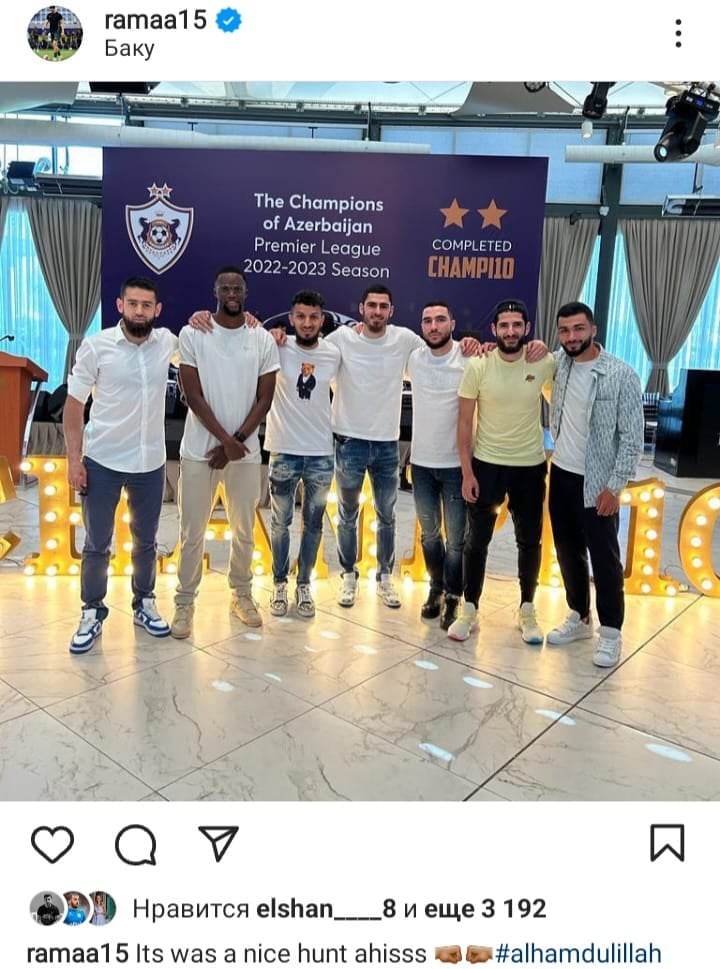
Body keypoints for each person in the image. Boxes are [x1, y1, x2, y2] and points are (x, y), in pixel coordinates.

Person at [271, 286, 478, 610]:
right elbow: (308, 353)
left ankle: (384, 577)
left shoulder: (405, 340)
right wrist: (276, 334)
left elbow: (439, 350)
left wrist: (471, 343)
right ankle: (348, 576)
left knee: (387, 516)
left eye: (383, 306)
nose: (377, 311)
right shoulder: (341, 339)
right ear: (362, 309)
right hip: (348, 442)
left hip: (386, 444)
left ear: (391, 311)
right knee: (347, 515)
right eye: (372, 305)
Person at [64, 278, 177, 654]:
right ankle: (92, 611)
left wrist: (257, 327)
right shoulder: (97, 347)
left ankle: (144, 602)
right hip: (103, 461)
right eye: (133, 304)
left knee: (146, 541)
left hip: (149, 462)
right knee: (97, 543)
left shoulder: (167, 343)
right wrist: (74, 460)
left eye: (146, 305)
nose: (139, 311)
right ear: (119, 306)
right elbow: (74, 406)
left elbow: (206, 346)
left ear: (157, 310)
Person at [170, 267, 279, 638]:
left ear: (245, 292)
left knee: (244, 531)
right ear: (215, 291)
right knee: (191, 532)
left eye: (237, 288)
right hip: (199, 452)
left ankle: (242, 594)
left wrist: (236, 442)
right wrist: (225, 442)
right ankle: (185, 601)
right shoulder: (193, 333)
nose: (232, 293)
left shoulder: (261, 338)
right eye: (225, 288)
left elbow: (265, 398)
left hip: (244, 454)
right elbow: (193, 395)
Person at [449, 299, 555, 643]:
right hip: (487, 465)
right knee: (476, 542)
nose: (511, 331)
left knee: (530, 541)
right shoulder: (478, 365)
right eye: (504, 326)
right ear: (494, 329)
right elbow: (464, 423)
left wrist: (545, 348)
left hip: (530, 467)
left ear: (527, 328)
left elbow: (569, 380)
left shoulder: (543, 363)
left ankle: (527, 609)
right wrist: (467, 472)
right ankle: (469, 608)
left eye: (517, 325)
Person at [545, 301, 643, 668]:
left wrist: (614, 486)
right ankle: (580, 616)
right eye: (565, 330)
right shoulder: (559, 364)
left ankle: (612, 633)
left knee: (605, 560)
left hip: (598, 482)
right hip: (562, 474)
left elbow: (632, 438)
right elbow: (527, 354)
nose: (572, 336)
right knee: (567, 551)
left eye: (578, 329)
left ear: (593, 330)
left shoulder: (621, 374)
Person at [264, 290, 340, 619]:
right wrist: (269, 335)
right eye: (301, 316)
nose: (307, 323)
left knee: (313, 525)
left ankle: (304, 584)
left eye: (313, 317)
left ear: (322, 319)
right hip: (283, 449)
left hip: (321, 452)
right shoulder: (276, 346)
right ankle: (279, 583)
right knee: (280, 523)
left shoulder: (334, 353)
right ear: (291, 318)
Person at [407, 301, 470, 631]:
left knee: (456, 540)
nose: (434, 326)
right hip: (421, 465)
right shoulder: (414, 359)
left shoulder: (469, 357)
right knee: (430, 535)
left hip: (456, 465)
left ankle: (454, 595)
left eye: (440, 320)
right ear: (421, 326)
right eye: (427, 320)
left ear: (452, 324)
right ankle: (436, 588)